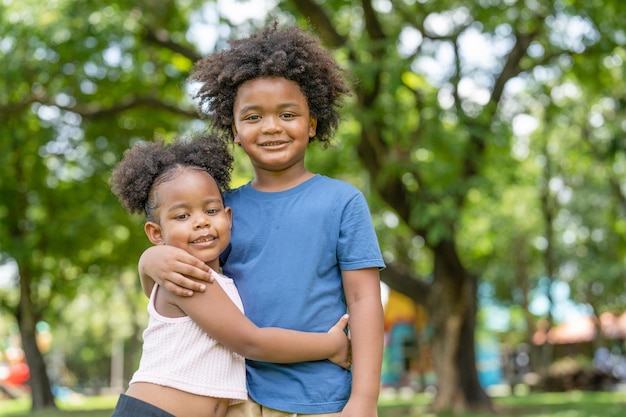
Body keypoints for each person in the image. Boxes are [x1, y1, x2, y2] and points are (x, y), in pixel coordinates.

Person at [139, 22, 385, 417]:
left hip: (325, 396)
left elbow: (365, 299)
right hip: (243, 397)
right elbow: (185, 292)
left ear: (312, 124)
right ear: (234, 130)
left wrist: (364, 399)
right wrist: (148, 261)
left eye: (287, 114)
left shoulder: (342, 201)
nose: (271, 127)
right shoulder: (219, 212)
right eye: (253, 118)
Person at [109, 133, 352, 417]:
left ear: (228, 218)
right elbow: (251, 341)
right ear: (156, 233)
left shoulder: (212, 280)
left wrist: (148, 261)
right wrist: (331, 344)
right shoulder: (190, 278)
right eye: (182, 216)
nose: (200, 221)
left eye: (211, 210)